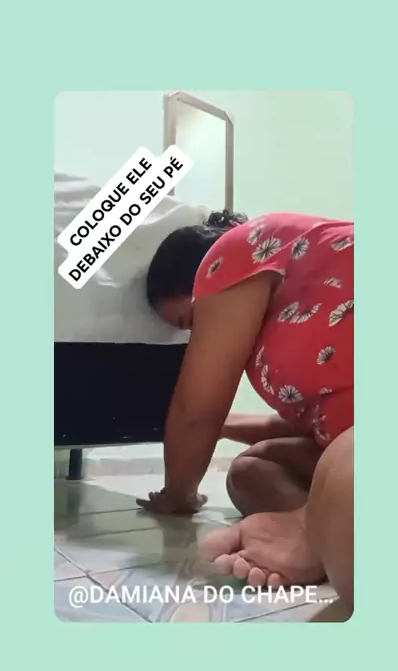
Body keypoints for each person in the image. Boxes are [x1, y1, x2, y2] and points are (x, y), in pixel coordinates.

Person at [138, 210, 354, 615]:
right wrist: (225, 426)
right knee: (250, 469)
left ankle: (324, 531)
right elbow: (315, 428)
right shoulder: (303, 272)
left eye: (191, 321)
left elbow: (194, 413)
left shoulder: (238, 251)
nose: (199, 336)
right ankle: (319, 524)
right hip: (346, 440)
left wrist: (178, 495)